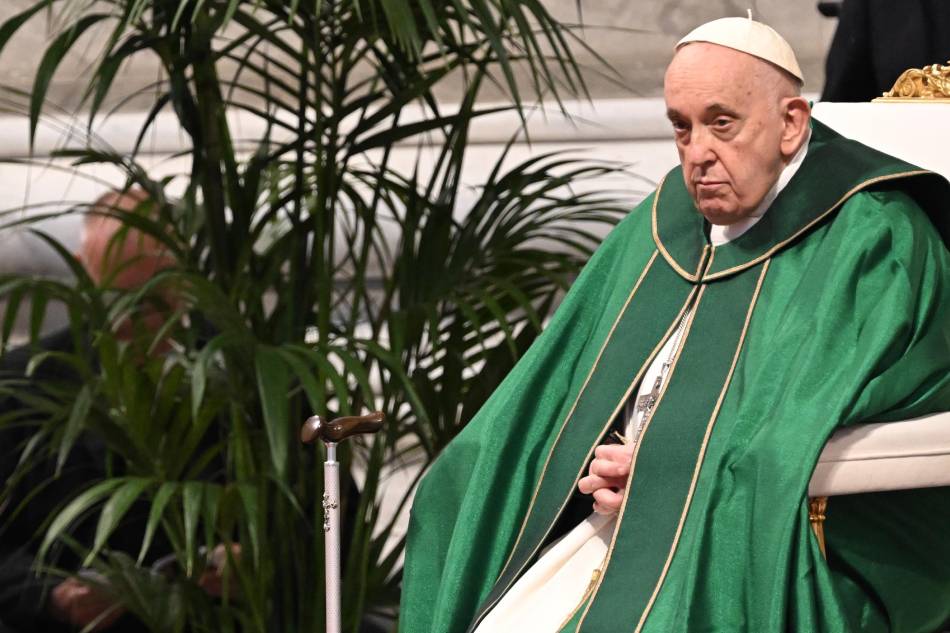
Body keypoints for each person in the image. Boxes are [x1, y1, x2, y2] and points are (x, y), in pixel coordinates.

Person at [399, 16, 950, 633]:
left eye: (722, 123)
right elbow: (561, 383)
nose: (698, 154)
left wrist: (670, 471)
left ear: (792, 123)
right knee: (462, 490)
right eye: (681, 128)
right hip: (619, 510)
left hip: (765, 533)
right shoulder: (666, 219)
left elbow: (841, 411)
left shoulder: (872, 235)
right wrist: (598, 459)